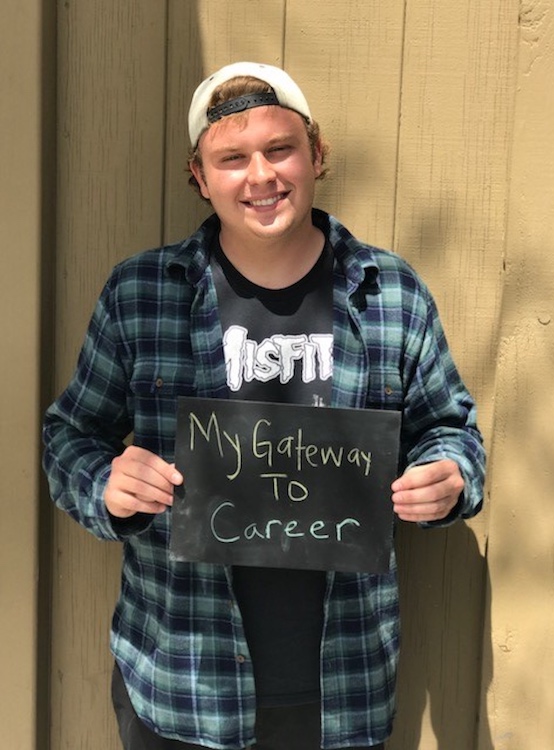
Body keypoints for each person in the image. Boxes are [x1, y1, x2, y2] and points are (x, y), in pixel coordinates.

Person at [43, 62, 485, 750]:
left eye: (280, 149)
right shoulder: (140, 294)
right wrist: (105, 485)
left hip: (341, 688)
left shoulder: (391, 295)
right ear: (199, 176)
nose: (260, 176)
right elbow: (70, 435)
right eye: (231, 159)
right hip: (179, 680)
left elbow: (450, 430)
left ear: (315, 155)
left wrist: (449, 477)